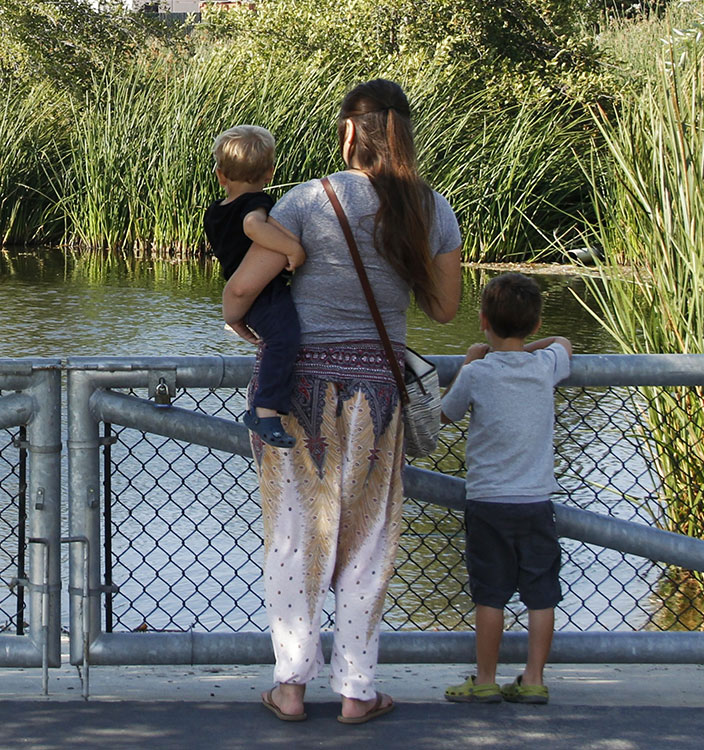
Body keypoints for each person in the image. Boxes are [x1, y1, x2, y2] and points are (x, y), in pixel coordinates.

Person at [237, 79, 463, 724]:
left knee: (293, 539)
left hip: (297, 395)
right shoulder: (430, 209)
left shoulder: (308, 200)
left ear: (346, 133)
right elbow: (445, 311)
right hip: (379, 398)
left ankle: (289, 687)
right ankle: (358, 691)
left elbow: (246, 287)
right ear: (402, 133)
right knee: (367, 542)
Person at [439, 272, 571, 706]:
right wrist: (529, 348)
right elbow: (563, 342)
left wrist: (470, 362)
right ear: (533, 325)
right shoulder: (543, 365)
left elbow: (446, 414)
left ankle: (485, 679)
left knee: (490, 595)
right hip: (536, 502)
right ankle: (533, 677)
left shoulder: (477, 374)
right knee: (541, 595)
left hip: (488, 503)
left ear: (482, 320)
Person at [206, 124, 307, 448]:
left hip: (244, 292)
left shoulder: (214, 213)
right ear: (269, 172)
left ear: (221, 176)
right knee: (284, 339)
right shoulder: (256, 203)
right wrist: (292, 248)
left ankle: (268, 406)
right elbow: (252, 226)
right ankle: (264, 412)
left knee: (279, 339)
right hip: (263, 292)